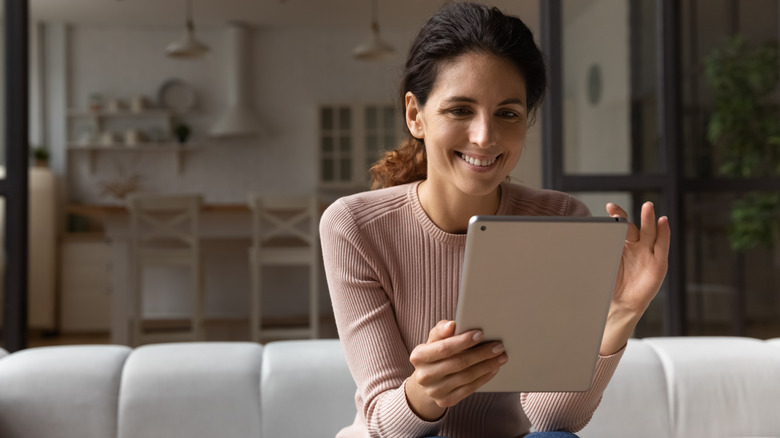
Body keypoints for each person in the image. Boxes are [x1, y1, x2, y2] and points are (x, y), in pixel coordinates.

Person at [319, 2, 671, 437]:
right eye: (460, 110)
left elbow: (552, 421)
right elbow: (384, 425)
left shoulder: (560, 219)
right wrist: (426, 391)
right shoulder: (355, 226)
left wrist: (622, 312)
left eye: (507, 113)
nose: (485, 137)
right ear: (415, 115)